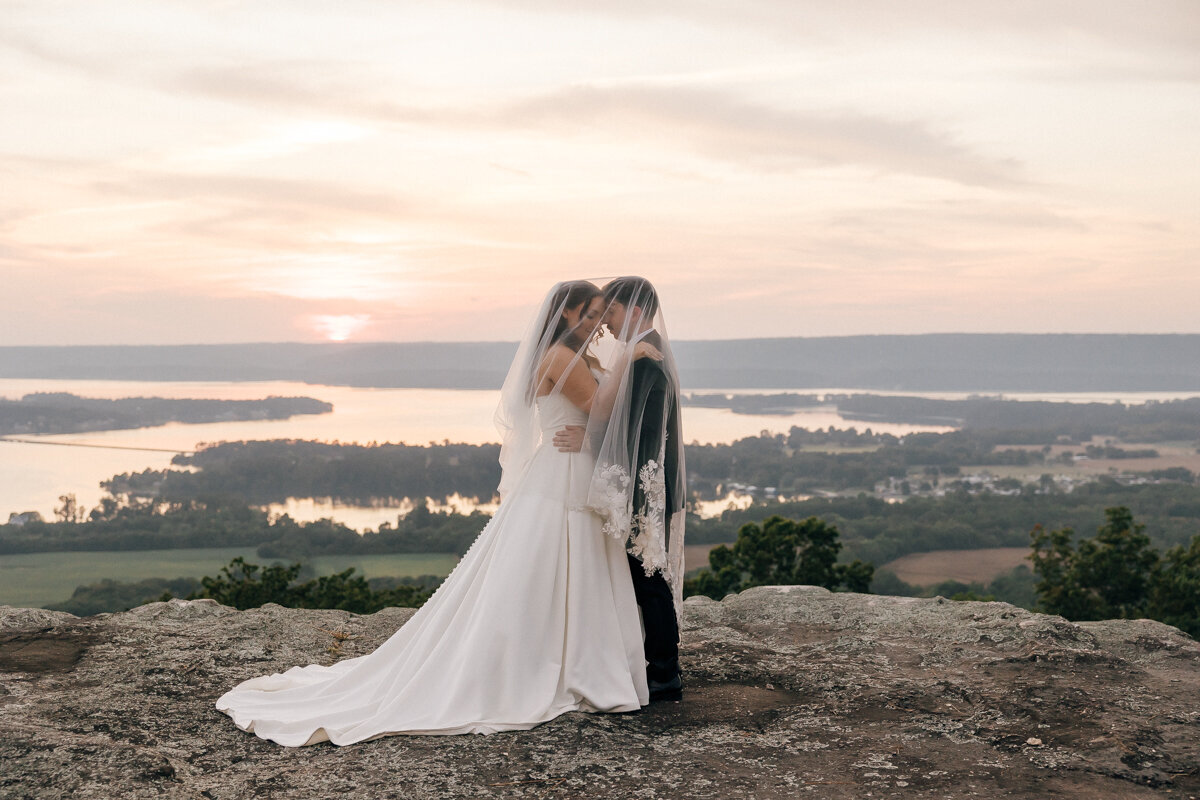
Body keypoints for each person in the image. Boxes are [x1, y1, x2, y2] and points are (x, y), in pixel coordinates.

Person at [215, 280, 661, 746]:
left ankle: (576, 655)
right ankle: (561, 663)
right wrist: (628, 360)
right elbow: (597, 410)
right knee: (556, 565)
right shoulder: (562, 358)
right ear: (567, 315)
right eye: (589, 315)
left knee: (570, 568)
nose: (596, 325)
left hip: (570, 467)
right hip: (563, 474)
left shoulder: (571, 356)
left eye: (598, 316)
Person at [553, 276, 686, 703]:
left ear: (633, 310)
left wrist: (588, 440)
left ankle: (664, 672)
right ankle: (654, 666)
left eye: (609, 312)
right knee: (643, 571)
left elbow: (639, 428)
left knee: (647, 573)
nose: (606, 324)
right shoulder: (648, 349)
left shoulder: (647, 356)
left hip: (642, 482)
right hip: (643, 478)